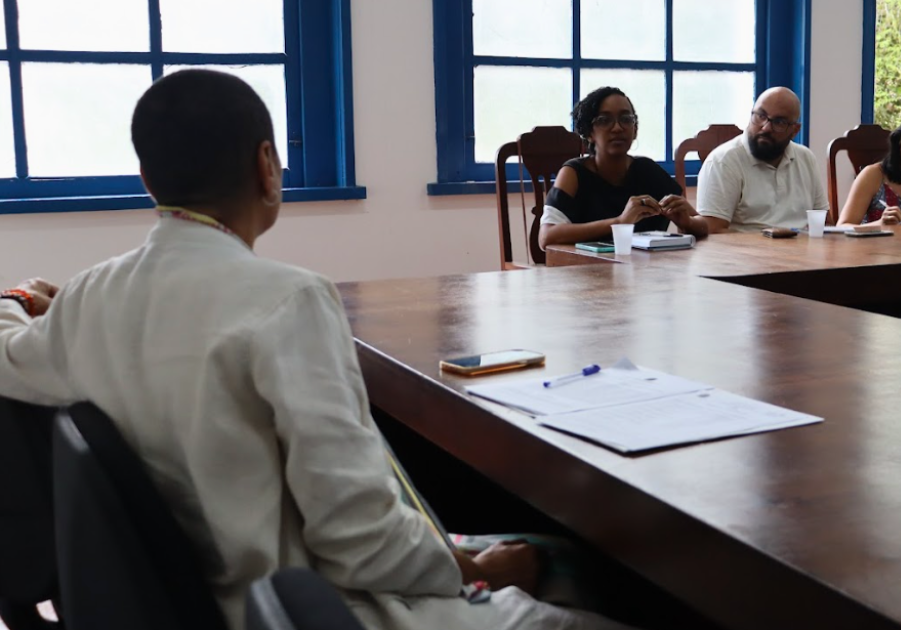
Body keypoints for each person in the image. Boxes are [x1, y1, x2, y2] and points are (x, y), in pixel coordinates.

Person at [0, 70, 633, 630]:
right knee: (586, 582)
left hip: (201, 600)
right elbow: (360, 540)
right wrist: (477, 570)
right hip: (317, 606)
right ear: (267, 166)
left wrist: (23, 295)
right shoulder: (287, 300)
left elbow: (7, 348)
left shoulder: (91, 296)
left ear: (147, 180)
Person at [540, 86, 707, 249]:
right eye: (604, 120)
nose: (618, 128)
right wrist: (619, 222)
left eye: (626, 119)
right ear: (589, 132)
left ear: (635, 130)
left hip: (646, 267)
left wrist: (688, 222)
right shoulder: (574, 173)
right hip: (585, 266)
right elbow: (546, 236)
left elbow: (703, 224)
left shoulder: (647, 170)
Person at [695, 87, 829, 233]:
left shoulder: (806, 158)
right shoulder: (723, 161)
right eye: (761, 116)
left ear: (794, 131)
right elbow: (714, 233)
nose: (765, 128)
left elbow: (825, 223)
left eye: (779, 122)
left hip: (802, 245)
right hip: (746, 247)